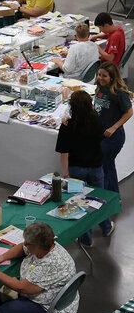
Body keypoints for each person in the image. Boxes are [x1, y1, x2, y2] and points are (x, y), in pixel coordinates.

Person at [0, 222, 79, 313]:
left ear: (38, 246)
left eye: (28, 243)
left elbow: (22, 287)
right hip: (50, 298)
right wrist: (3, 257)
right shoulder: (46, 246)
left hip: (51, 310)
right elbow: (22, 247)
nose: (24, 244)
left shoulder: (50, 263)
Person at [56, 90, 114, 247]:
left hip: (76, 169)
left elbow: (64, 152)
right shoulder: (97, 122)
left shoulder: (67, 125)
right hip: (95, 167)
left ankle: (86, 239)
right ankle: (106, 227)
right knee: (99, 201)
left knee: (80, 204)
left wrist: (66, 173)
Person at [94, 61, 133, 193]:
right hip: (100, 134)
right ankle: (112, 196)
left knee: (106, 165)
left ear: (112, 77)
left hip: (113, 137)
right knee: (107, 165)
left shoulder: (120, 93)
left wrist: (114, 127)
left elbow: (129, 112)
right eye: (99, 74)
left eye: (104, 76)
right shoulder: (99, 87)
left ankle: (110, 196)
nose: (100, 78)